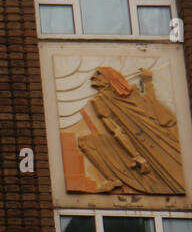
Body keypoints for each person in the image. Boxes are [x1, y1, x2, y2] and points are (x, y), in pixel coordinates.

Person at [77, 67, 184, 195]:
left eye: (98, 75)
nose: (93, 78)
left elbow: (155, 110)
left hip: (157, 137)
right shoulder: (99, 101)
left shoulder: (133, 93)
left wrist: (148, 82)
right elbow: (115, 130)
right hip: (134, 143)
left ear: (111, 78)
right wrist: (136, 155)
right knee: (85, 140)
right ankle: (112, 180)